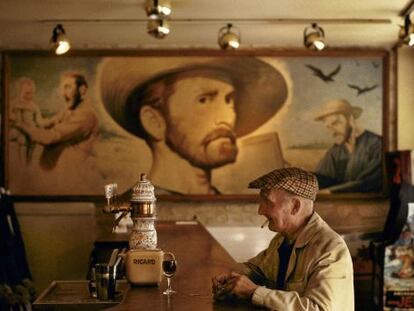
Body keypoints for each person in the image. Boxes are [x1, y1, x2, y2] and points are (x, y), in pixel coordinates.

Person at [99, 57, 288, 195]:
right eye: (204, 100)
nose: (227, 117)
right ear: (154, 121)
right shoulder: (130, 213)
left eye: (229, 101)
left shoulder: (224, 205)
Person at [212, 167, 354, 310]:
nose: (260, 210)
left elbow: (319, 308)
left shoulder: (331, 249)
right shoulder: (282, 239)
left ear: (295, 206)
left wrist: (254, 292)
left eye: (268, 202)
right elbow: (257, 270)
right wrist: (232, 278)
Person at [13, 71, 99, 171]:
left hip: (69, 175)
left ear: (82, 90)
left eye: (68, 87)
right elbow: (47, 123)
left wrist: (20, 124)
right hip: (56, 172)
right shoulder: (70, 110)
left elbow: (49, 138)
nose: (63, 93)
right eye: (63, 88)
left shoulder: (85, 115)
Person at [313, 98, 382, 193]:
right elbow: (322, 179)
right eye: (329, 127)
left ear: (350, 119)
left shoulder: (377, 144)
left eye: (335, 123)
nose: (332, 132)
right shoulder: (335, 151)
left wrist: (329, 191)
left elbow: (367, 184)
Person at [9, 77, 44, 164]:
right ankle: (22, 164)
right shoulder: (13, 103)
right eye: (26, 93)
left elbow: (39, 120)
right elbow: (9, 115)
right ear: (19, 92)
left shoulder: (34, 106)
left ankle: (28, 163)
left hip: (29, 129)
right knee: (20, 138)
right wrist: (13, 117)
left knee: (28, 139)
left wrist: (42, 125)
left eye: (32, 93)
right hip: (16, 128)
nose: (29, 96)